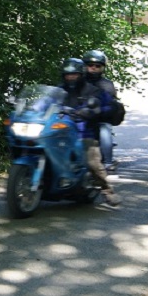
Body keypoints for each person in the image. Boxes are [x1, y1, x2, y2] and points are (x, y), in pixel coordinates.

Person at [59, 57, 120, 207]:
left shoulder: (94, 90)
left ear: (80, 74)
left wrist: (95, 111)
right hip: (60, 131)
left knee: (92, 161)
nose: (71, 77)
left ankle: (107, 190)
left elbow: (111, 105)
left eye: (74, 74)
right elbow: (45, 103)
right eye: (68, 75)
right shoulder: (59, 90)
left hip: (83, 132)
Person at [82, 49, 120, 169]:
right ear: (85, 66)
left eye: (97, 66)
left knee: (105, 129)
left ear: (102, 68)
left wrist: (99, 111)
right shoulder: (77, 81)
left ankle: (108, 162)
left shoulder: (106, 84)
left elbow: (111, 104)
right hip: (79, 116)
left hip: (99, 117)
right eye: (90, 65)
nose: (93, 68)